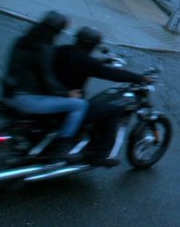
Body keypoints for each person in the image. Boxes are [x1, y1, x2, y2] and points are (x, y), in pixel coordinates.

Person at [54, 26, 152, 166]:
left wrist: (101, 61)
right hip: (69, 107)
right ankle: (98, 154)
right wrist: (141, 78)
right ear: (92, 45)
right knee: (114, 111)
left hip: (52, 99)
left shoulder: (62, 50)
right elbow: (113, 74)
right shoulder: (87, 62)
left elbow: (83, 62)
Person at [1, 11, 88, 161]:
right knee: (80, 105)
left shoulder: (22, 40)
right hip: (27, 99)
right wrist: (68, 93)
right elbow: (49, 81)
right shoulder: (44, 48)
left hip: (9, 94)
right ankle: (62, 146)